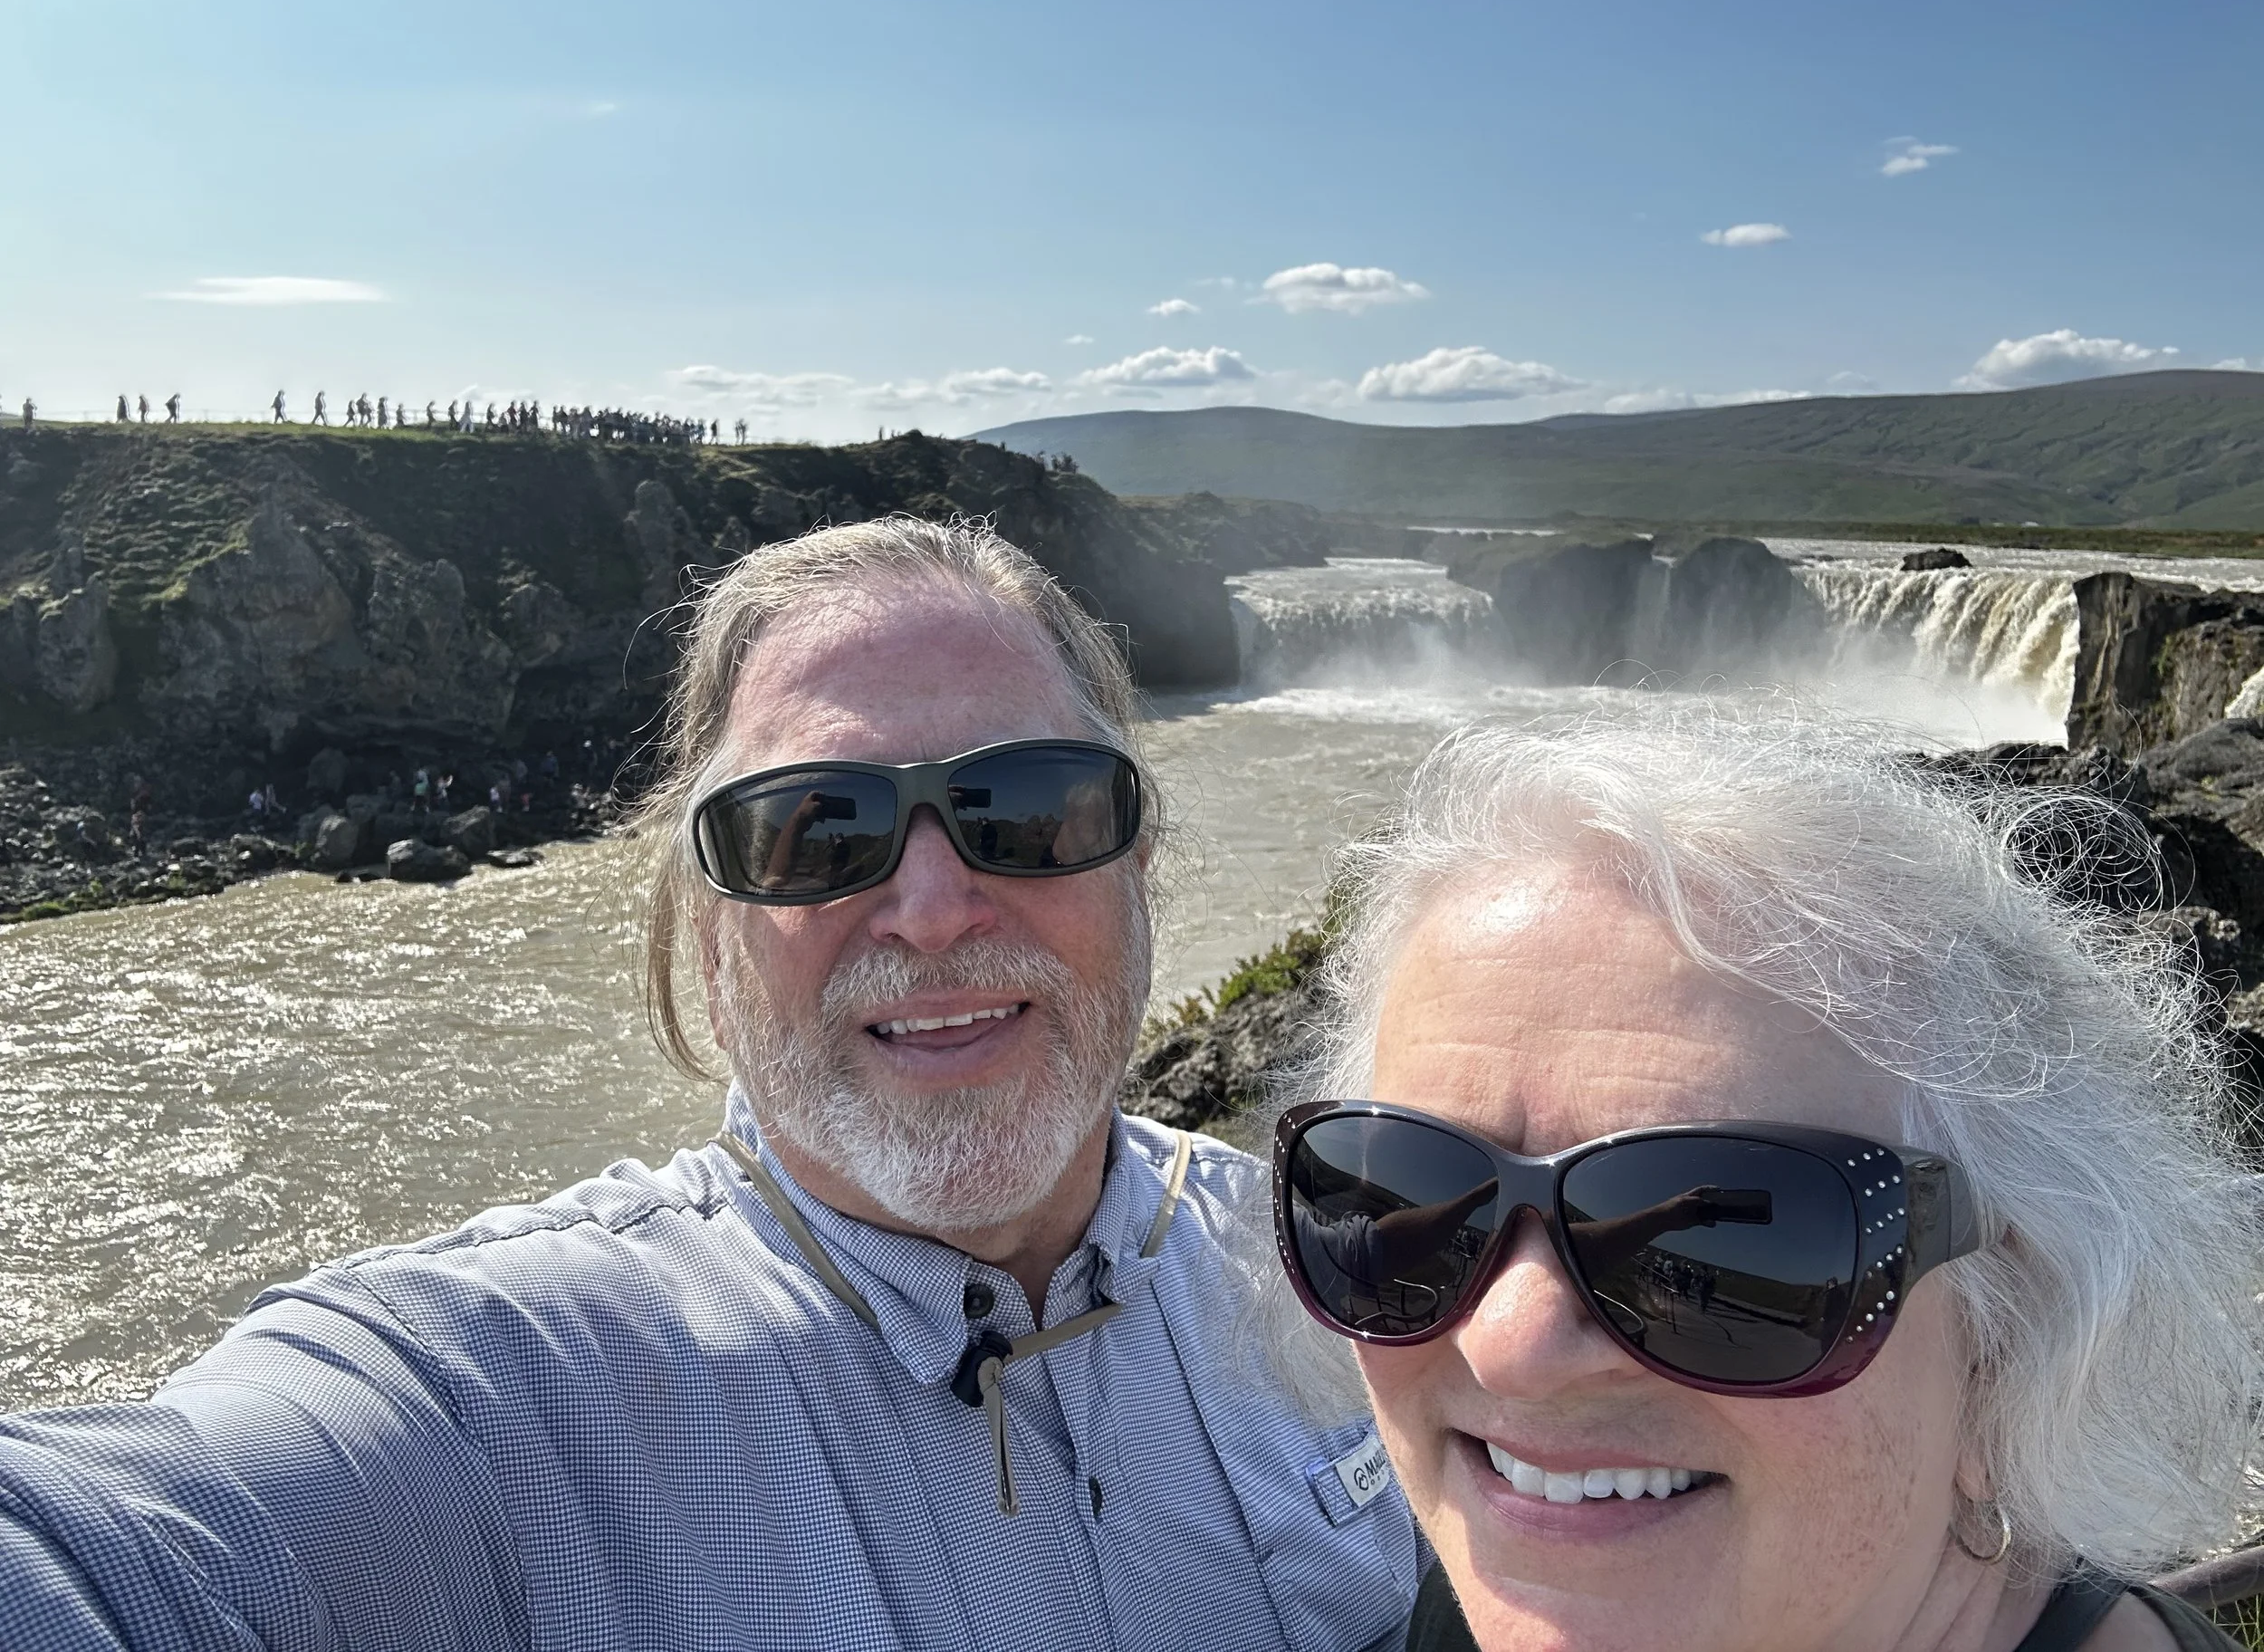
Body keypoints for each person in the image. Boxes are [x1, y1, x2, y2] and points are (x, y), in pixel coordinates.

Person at [0, 517, 1420, 1651]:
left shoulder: (1348, 1274)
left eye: (1031, 804)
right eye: (813, 829)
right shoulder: (504, 1403)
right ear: (703, 922)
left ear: (1138, 859)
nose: (933, 904)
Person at [1262, 706, 2264, 1652]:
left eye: (1714, 1249)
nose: (1511, 1346)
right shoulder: (1481, 1581)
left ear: (2011, 1338)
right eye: (1410, 1199)